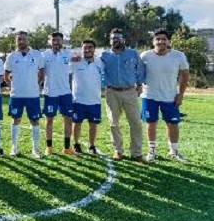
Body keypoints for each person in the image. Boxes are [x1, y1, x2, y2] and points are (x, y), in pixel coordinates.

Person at [141, 29, 190, 163]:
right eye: (157, 39)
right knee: (151, 123)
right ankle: (152, 151)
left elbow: (185, 76)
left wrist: (180, 94)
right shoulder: (145, 56)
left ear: (168, 41)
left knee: (172, 124)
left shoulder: (179, 56)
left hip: (170, 96)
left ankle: (173, 151)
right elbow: (138, 73)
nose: (160, 41)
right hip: (149, 95)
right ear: (153, 41)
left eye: (164, 39)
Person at [101, 28, 146, 162]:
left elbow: (140, 69)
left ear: (123, 40)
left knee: (136, 123)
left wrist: (139, 84)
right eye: (114, 38)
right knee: (113, 123)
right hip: (111, 93)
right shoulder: (104, 55)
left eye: (119, 38)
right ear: (110, 41)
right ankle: (118, 151)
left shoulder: (133, 53)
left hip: (130, 92)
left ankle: (136, 152)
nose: (116, 40)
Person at [4, 31, 45, 158]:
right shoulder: (11, 56)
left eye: (23, 39)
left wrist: (36, 84)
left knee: (35, 120)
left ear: (28, 40)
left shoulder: (36, 54)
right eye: (19, 39)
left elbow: (42, 72)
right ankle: (14, 147)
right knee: (16, 120)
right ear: (16, 41)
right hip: (16, 95)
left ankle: (35, 149)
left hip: (33, 95)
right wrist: (12, 87)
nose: (21, 41)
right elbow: (6, 76)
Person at [42, 32, 75, 155]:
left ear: (62, 41)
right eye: (54, 40)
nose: (56, 42)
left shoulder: (68, 54)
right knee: (49, 120)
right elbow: (38, 70)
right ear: (50, 42)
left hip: (65, 92)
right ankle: (49, 147)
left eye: (58, 40)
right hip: (50, 92)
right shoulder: (44, 55)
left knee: (68, 119)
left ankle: (67, 148)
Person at [70, 40, 103, 155]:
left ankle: (92, 145)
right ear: (81, 49)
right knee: (77, 123)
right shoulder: (75, 61)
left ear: (94, 49)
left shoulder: (100, 62)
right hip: (78, 100)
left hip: (95, 100)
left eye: (90, 47)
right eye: (85, 48)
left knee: (93, 125)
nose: (88, 50)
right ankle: (76, 144)